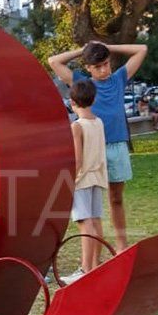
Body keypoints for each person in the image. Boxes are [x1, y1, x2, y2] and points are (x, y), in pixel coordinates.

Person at [49, 41, 148, 250]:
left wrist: (108, 46)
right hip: (93, 150)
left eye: (106, 64)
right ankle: (96, 250)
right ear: (88, 68)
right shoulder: (82, 83)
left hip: (117, 147)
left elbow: (142, 50)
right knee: (92, 207)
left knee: (116, 198)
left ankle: (121, 246)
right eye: (98, 66)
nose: (104, 70)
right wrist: (83, 50)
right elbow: (54, 61)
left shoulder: (119, 78)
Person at [63, 81, 108, 284]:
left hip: (82, 178)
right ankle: (96, 266)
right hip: (98, 176)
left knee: (85, 223)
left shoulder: (77, 126)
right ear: (94, 98)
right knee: (95, 220)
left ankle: (86, 269)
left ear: (72, 102)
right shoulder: (98, 122)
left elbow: (78, 159)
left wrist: (70, 179)